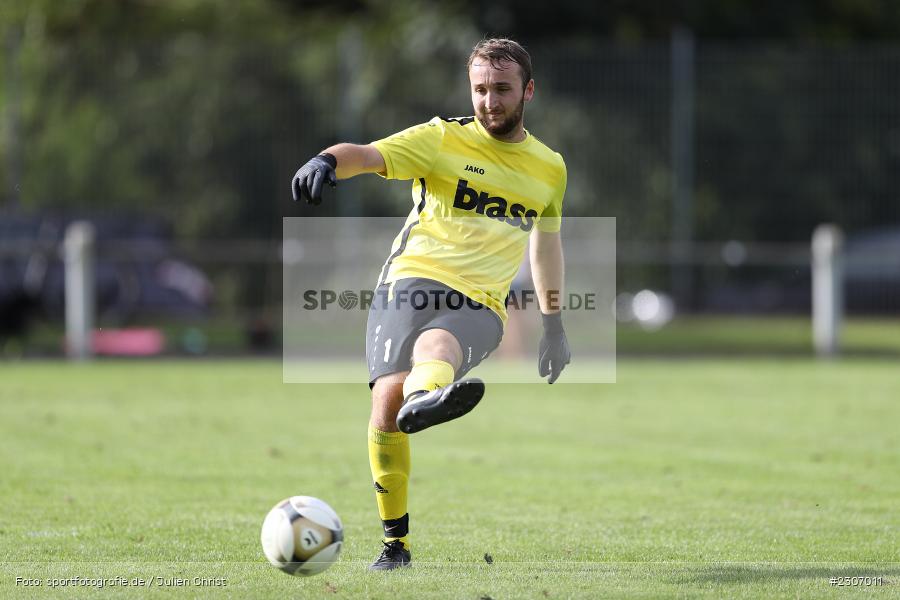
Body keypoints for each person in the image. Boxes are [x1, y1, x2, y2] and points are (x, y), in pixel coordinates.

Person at [291, 38, 570, 571]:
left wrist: (553, 322)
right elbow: (369, 155)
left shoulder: (550, 168)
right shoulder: (441, 139)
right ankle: (396, 545)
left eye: (503, 90)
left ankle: (425, 398)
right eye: (481, 89)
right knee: (386, 406)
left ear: (528, 91)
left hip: (483, 302)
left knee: (435, 347)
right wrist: (326, 160)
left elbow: (546, 243)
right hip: (410, 280)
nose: (490, 101)